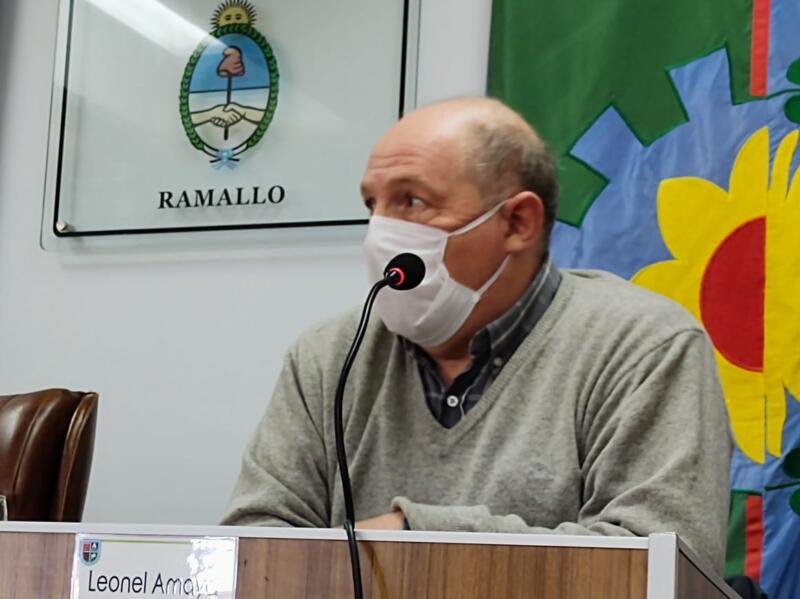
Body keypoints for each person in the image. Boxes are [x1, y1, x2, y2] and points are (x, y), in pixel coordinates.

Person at [221, 97, 732, 571]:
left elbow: (656, 561)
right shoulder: (327, 357)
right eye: (372, 205)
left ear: (517, 223)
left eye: (412, 202)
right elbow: (254, 548)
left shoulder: (643, 346)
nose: (380, 233)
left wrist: (414, 536)